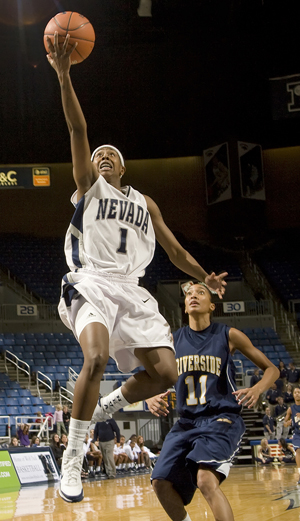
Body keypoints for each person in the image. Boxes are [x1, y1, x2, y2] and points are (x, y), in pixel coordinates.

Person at [46, 33, 227, 503]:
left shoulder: (145, 202)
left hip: (132, 288)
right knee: (97, 357)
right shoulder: (89, 187)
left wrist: (204, 275)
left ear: (123, 168)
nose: (102, 158)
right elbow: (77, 132)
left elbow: (174, 250)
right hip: (91, 281)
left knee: (167, 372)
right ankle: (74, 453)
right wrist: (65, 76)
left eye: (112, 157)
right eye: (98, 156)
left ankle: (108, 404)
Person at [145, 281, 279, 521]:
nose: (193, 295)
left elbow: (272, 369)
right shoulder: (172, 341)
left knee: (205, 479)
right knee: (160, 483)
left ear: (212, 306)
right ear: (185, 307)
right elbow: (151, 377)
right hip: (186, 422)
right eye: (189, 294)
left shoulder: (228, 335)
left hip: (221, 419)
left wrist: (258, 388)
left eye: (201, 292)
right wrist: (150, 395)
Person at [283, 387, 300, 484]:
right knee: (298, 450)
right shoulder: (291, 408)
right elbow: (285, 423)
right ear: (293, 395)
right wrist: (288, 422)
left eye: (299, 392)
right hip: (297, 434)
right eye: (295, 392)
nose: (297, 394)